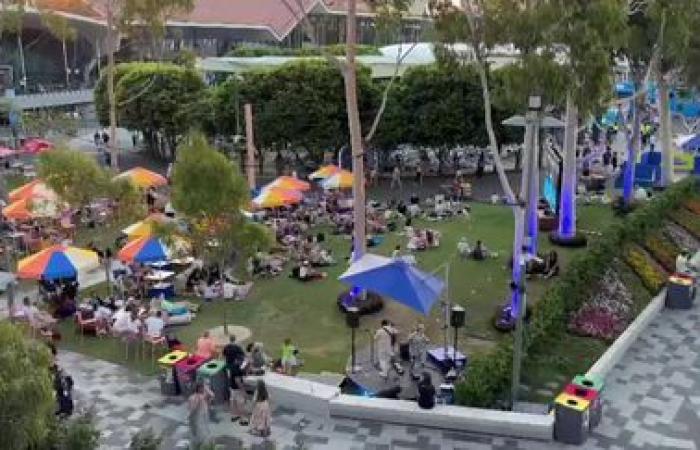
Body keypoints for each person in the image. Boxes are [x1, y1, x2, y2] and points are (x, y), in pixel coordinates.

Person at [188, 381, 214, 448]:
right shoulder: (196, 397)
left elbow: (212, 395)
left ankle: (200, 445)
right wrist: (189, 417)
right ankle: (200, 445)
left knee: (201, 432)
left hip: (203, 416)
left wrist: (205, 387)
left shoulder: (202, 396)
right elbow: (192, 409)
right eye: (202, 387)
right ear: (199, 388)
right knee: (200, 432)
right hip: (199, 417)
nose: (203, 389)